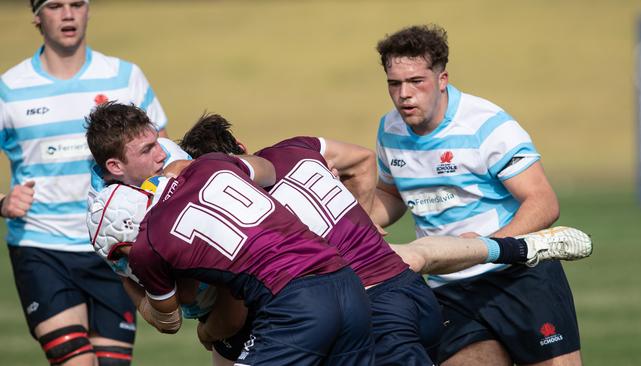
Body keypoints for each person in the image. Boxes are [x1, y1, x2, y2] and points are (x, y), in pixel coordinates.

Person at [178, 113, 593, 366]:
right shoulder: (298, 148)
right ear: (243, 148)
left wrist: (202, 329)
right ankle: (521, 247)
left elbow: (231, 319)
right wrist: (360, 219)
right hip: (407, 292)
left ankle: (522, 247)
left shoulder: (235, 219)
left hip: (373, 306)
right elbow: (361, 158)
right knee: (414, 256)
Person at [371, 24, 582, 366]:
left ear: (442, 79)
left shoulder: (487, 125)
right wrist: (358, 224)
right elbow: (391, 192)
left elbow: (543, 202)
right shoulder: (389, 129)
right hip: (449, 288)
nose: (404, 95)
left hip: (518, 276)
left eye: (416, 82)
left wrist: (488, 247)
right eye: (394, 84)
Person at [0, 1, 167, 365]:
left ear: (89, 11)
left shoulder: (124, 76)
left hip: (114, 248)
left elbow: (161, 151)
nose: (68, 14)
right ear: (36, 16)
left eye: (77, 4)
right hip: (41, 245)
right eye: (55, 5)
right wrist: (2, 202)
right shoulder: (9, 88)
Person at [87, 157, 376, 366]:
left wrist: (124, 280)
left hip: (294, 302)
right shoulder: (206, 165)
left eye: (120, 257)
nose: (128, 264)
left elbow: (168, 320)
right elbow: (268, 170)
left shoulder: (147, 247)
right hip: (348, 283)